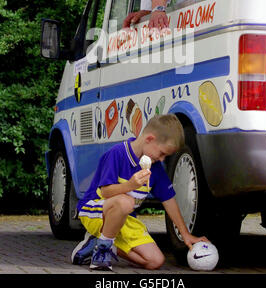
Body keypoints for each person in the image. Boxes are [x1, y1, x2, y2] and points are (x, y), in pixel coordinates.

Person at [71, 114, 209, 271]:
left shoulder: (155, 168)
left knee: (155, 261)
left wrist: (185, 235)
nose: (162, 159)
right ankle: (102, 252)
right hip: (95, 210)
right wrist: (130, 185)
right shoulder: (117, 153)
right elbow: (106, 192)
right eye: (162, 153)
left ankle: (100, 244)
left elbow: (169, 200)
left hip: (124, 218)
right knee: (125, 202)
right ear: (149, 139)